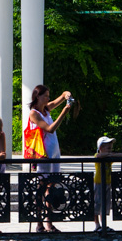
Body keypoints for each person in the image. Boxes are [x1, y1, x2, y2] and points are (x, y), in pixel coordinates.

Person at [27, 84, 74, 232]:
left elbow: (60, 97)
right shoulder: (34, 113)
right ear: (37, 96)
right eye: (45, 96)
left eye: (48, 96)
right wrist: (64, 112)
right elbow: (50, 129)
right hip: (43, 155)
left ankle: (49, 222)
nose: (48, 98)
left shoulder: (46, 109)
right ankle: (39, 223)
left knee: (51, 188)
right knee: (42, 188)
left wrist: (66, 94)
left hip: (54, 154)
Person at [92, 136, 122, 233]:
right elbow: (98, 156)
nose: (110, 148)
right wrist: (108, 154)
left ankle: (104, 224)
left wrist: (110, 154)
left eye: (110, 146)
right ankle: (97, 225)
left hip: (107, 183)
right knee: (97, 204)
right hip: (98, 183)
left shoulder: (109, 158)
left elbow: (121, 155)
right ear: (100, 148)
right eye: (107, 147)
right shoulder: (98, 155)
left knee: (105, 205)